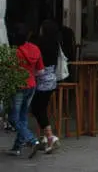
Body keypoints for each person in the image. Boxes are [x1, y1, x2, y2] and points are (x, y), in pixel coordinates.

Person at [7, 23, 44, 157]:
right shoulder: (35, 48)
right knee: (22, 117)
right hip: (31, 85)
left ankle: (32, 140)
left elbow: (8, 71)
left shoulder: (13, 52)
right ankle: (17, 148)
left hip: (19, 87)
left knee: (13, 118)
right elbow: (41, 71)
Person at [30, 20, 62, 154]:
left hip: (42, 80)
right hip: (52, 80)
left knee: (38, 108)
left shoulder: (39, 44)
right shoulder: (56, 44)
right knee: (40, 108)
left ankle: (50, 137)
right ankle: (44, 137)